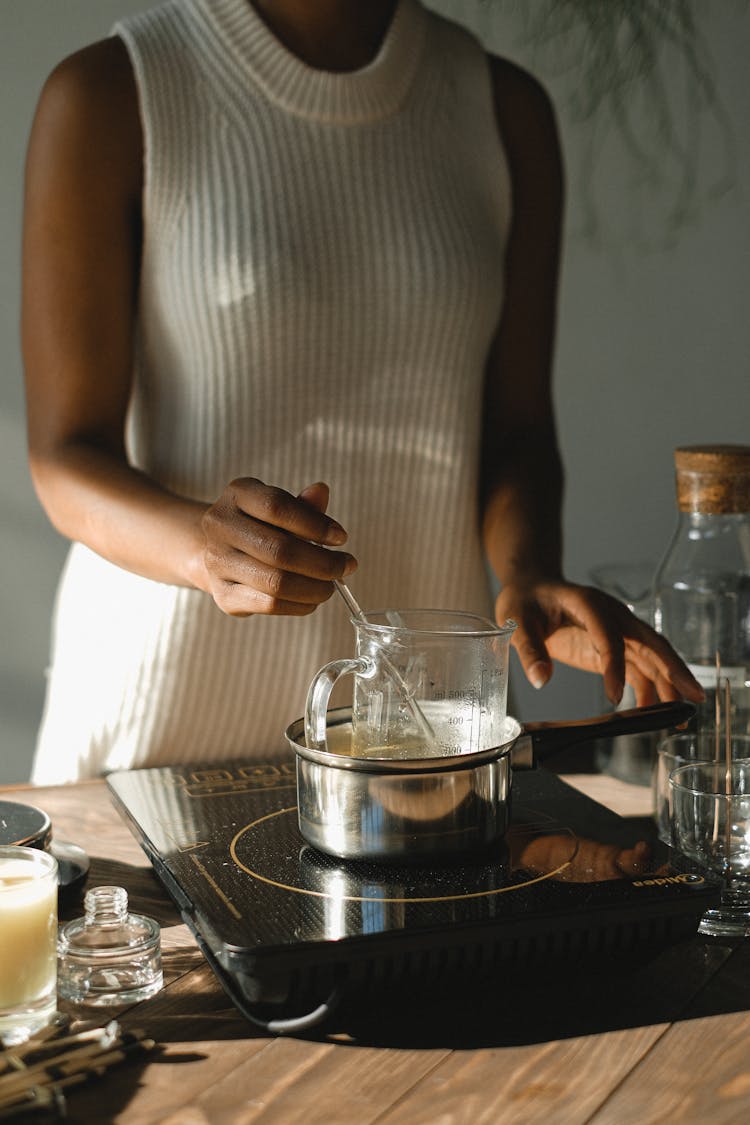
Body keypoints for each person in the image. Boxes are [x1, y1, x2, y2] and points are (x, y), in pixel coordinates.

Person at [22, 0, 702, 784]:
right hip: (154, 745)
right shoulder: (113, 92)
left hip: (417, 747)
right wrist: (202, 547)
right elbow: (63, 455)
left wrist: (530, 570)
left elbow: (515, 431)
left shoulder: (503, 110)